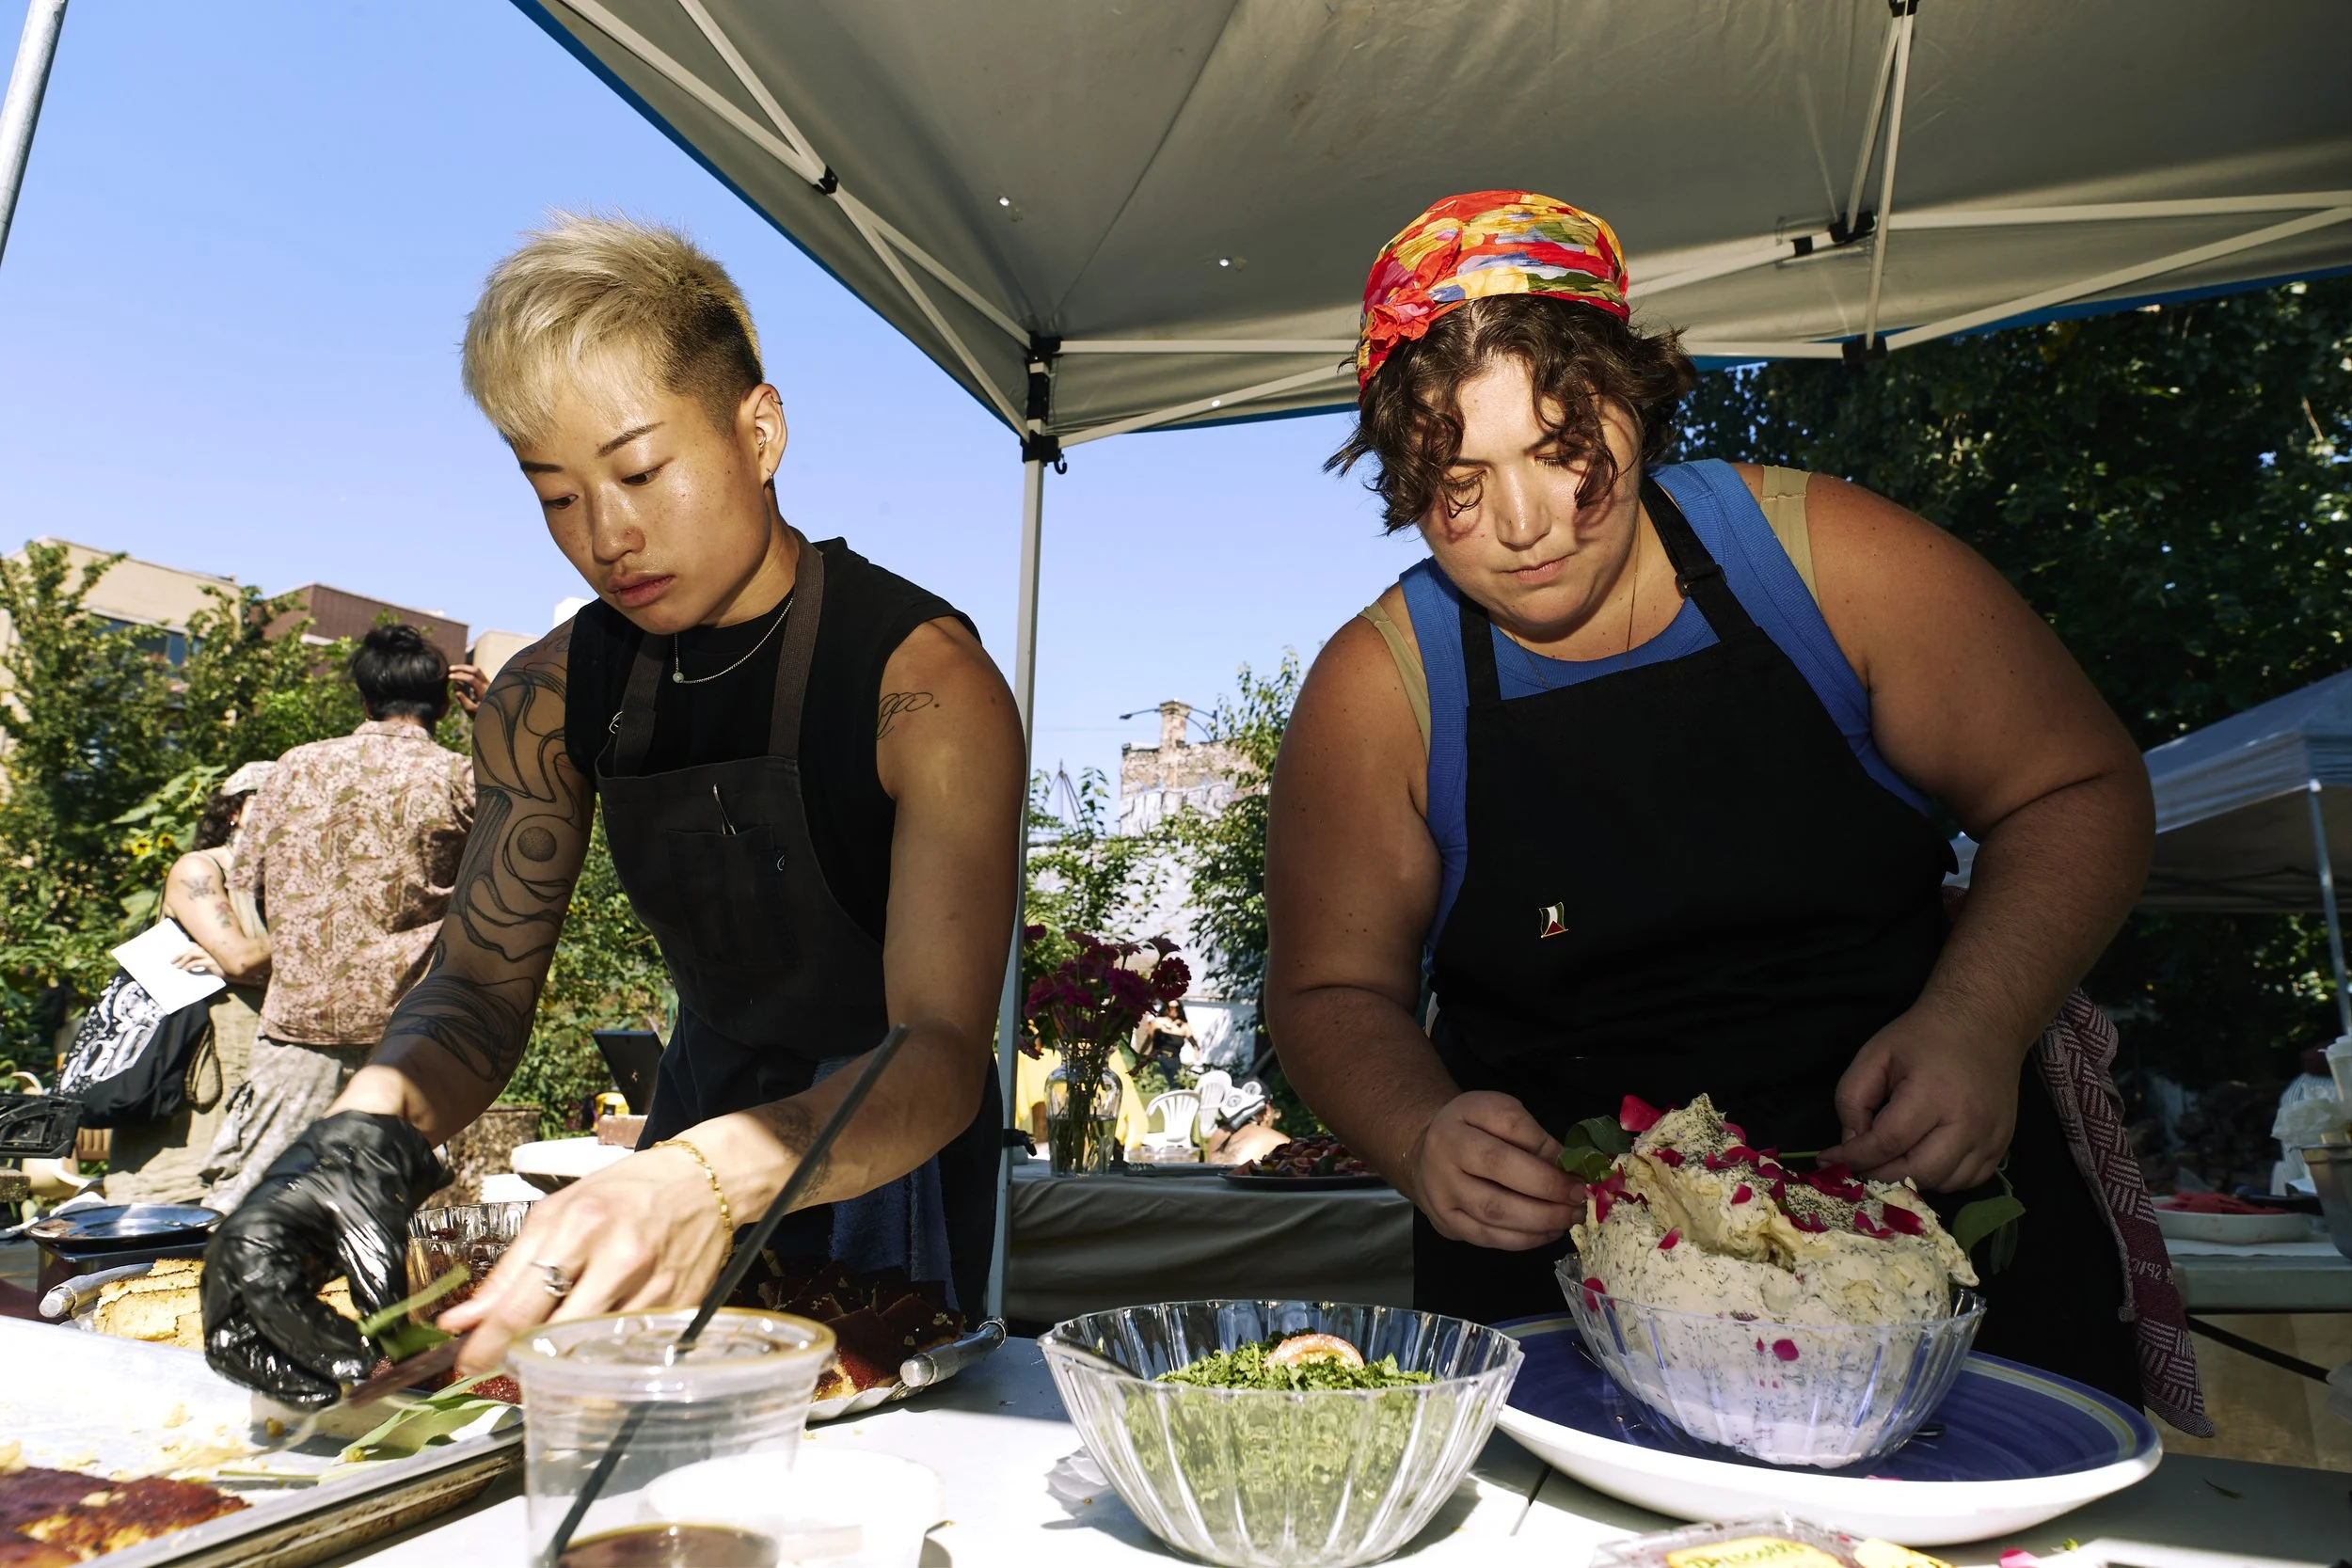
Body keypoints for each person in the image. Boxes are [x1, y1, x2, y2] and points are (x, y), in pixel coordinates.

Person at [1265, 192, 2157, 1405]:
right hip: (1560, 1280)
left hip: (1926, 1223)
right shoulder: (1378, 691)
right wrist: (1420, 1130)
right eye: (1458, 482)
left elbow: (2077, 789)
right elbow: (1328, 989)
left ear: (1635, 400)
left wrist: (1978, 1024)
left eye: (1561, 449)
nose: (1523, 526)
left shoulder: (1824, 557)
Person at [200, 214, 1023, 1405]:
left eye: (640, 473)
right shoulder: (547, 693)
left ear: (760, 429)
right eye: (558, 496)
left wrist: (708, 1177)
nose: (608, 536)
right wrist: (361, 1133)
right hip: (692, 1114)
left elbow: (939, 1047)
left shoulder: (924, 682)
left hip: (881, 1156)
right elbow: (479, 986)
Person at [202, 626, 476, 1213]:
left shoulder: (293, 769)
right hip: (408, 1036)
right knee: (391, 1212)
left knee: (254, 1201)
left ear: (364, 699)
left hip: (299, 1027)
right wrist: (490, 723)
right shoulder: (457, 777)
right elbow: (517, 852)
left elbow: (245, 881)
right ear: (444, 702)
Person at [103, 765, 276, 1205]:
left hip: (263, 1064)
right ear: (235, 809)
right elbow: (236, 954)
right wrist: (308, 939)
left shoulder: (285, 883)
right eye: (268, 798)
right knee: (180, 1213)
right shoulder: (199, 869)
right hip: (197, 1073)